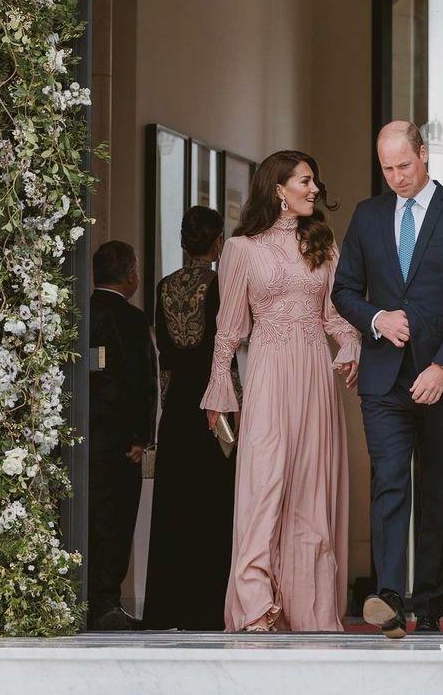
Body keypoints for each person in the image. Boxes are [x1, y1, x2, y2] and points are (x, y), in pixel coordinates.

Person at [332, 121, 443, 638]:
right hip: (384, 379)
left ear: (424, 154)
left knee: (438, 492)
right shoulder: (367, 215)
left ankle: (429, 604)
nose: (397, 177)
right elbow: (344, 290)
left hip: (441, 377)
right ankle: (391, 598)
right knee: (390, 483)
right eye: (388, 169)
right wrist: (377, 318)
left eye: (404, 165)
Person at [201, 150, 360, 632]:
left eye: (314, 181)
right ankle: (255, 606)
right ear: (279, 189)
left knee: (311, 491)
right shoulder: (241, 249)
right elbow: (229, 329)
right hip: (269, 374)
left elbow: (335, 316)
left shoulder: (322, 244)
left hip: (314, 375)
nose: (314, 189)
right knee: (264, 484)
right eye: (305, 181)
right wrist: (219, 388)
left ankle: (309, 610)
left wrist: (351, 343)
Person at [143, 207, 239, 630]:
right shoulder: (220, 284)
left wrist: (168, 406)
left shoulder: (164, 286)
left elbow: (164, 358)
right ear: (217, 242)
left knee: (175, 504)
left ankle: (169, 607)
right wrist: (236, 408)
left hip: (179, 405)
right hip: (213, 403)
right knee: (213, 504)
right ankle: (207, 607)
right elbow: (226, 354)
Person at [89, 241, 156, 630]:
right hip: (120, 441)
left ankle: (86, 598)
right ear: (131, 275)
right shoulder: (131, 320)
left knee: (89, 517)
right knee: (117, 520)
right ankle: (106, 601)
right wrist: (140, 436)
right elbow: (142, 382)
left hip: (87, 437)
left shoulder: (83, 312)